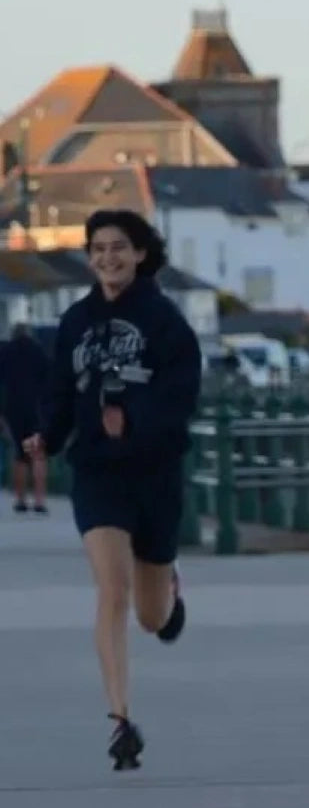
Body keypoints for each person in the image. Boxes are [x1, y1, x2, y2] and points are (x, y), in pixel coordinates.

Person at [24, 209, 201, 772]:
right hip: (97, 473)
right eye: (98, 249)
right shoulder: (76, 322)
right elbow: (59, 391)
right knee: (112, 590)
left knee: (150, 616)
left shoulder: (165, 322)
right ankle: (120, 719)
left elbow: (182, 395)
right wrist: (46, 437)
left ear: (141, 253)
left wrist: (136, 422)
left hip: (154, 472)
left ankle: (169, 591)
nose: (108, 258)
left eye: (119, 247)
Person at [0, 325, 52, 513]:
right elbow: (50, 381)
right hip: (37, 409)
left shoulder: (5, 352)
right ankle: (39, 501)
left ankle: (20, 500)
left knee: (19, 454)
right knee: (38, 453)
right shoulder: (39, 352)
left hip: (13, 408)